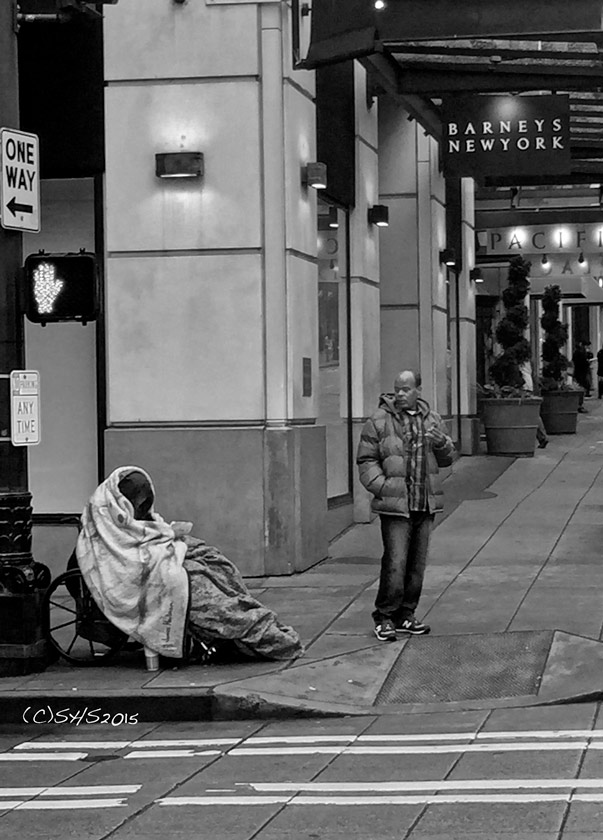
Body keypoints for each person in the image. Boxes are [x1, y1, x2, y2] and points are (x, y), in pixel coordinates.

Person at [76, 466, 304, 663]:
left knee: (215, 563)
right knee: (204, 589)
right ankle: (255, 630)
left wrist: (170, 536)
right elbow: (125, 558)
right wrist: (167, 546)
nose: (142, 507)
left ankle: (247, 618)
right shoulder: (104, 529)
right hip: (154, 570)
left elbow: (145, 532)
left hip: (165, 556)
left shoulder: (128, 516)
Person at [356, 370, 455, 641]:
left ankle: (406, 614)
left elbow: (447, 458)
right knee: (396, 561)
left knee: (417, 564)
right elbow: (366, 459)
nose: (400, 394)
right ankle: (384, 616)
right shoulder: (379, 420)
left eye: (406, 389)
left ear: (418, 390)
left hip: (424, 501)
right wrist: (382, 486)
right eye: (397, 388)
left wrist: (442, 443)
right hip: (395, 503)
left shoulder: (433, 420)